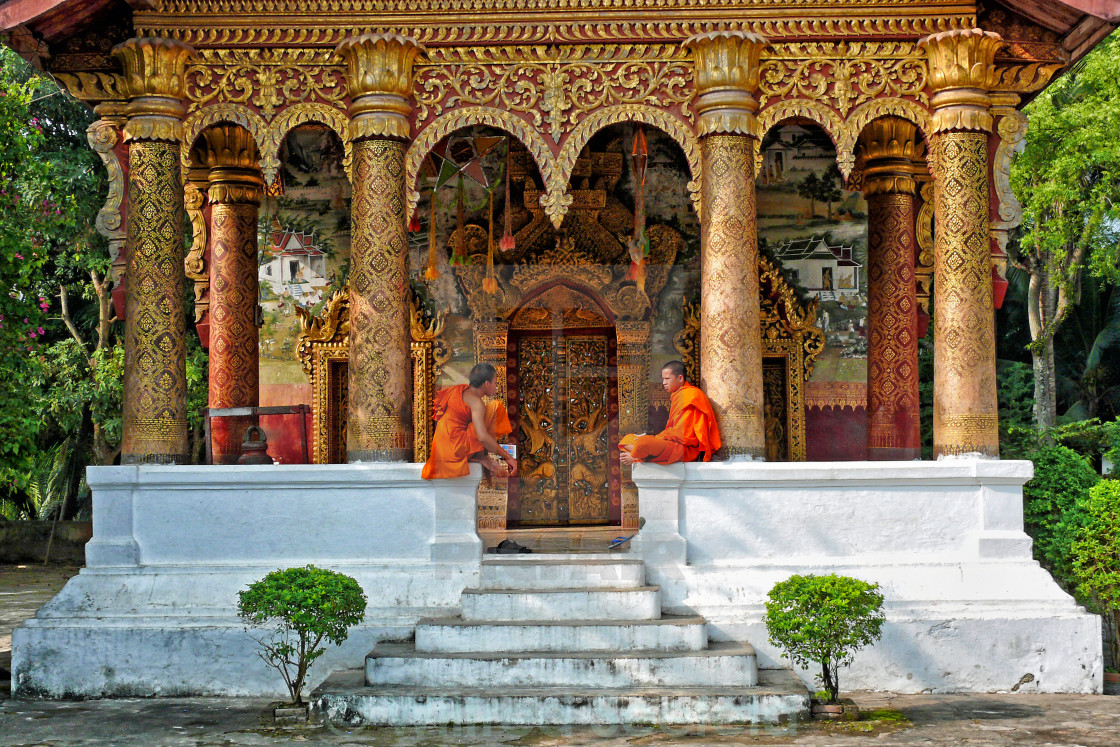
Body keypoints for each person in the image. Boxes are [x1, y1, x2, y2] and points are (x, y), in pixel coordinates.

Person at [422, 363, 518, 480]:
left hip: (441, 450)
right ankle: (480, 455)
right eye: (495, 383)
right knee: (495, 406)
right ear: (487, 384)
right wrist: (508, 457)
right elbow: (482, 437)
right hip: (455, 450)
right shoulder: (477, 403)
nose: (496, 387)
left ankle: (479, 455)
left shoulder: (458, 390)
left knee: (477, 422)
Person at [619, 360, 721, 465]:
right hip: (671, 443)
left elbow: (685, 435)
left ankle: (636, 458)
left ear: (680, 378)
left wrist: (659, 437)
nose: (664, 383)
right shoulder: (678, 396)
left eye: (667, 379)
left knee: (642, 443)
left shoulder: (691, 395)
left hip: (684, 448)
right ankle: (641, 454)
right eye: (663, 379)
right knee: (626, 440)